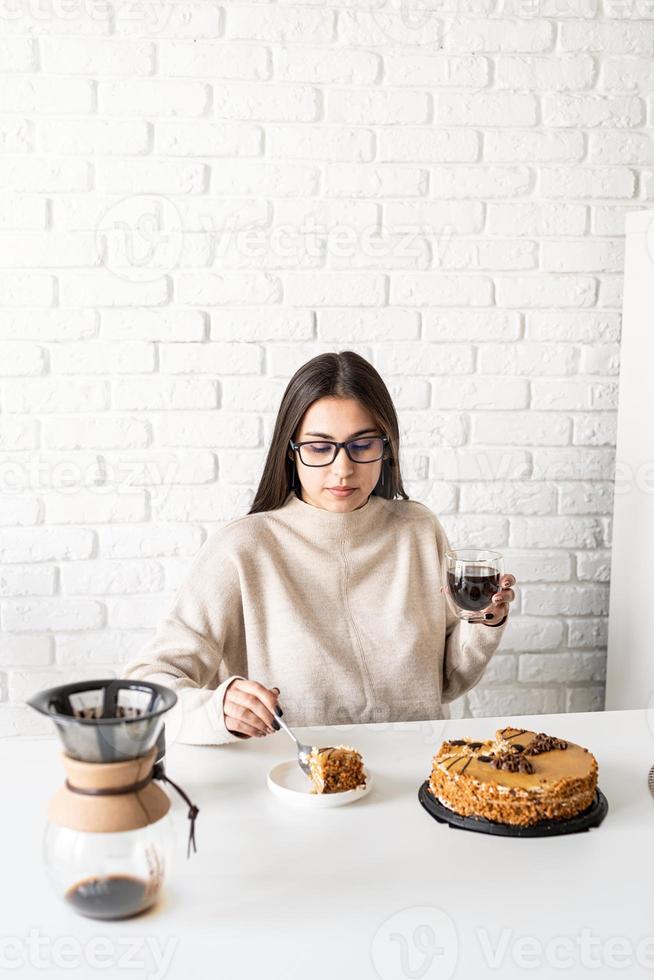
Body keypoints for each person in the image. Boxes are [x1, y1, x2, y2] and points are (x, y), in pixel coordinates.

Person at [121, 351, 516, 744]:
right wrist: (217, 709)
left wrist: (484, 621)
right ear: (290, 452)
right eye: (318, 447)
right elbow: (143, 688)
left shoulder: (418, 529)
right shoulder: (244, 548)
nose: (342, 469)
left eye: (362, 446)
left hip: (419, 773)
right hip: (294, 784)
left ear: (387, 446)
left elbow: (445, 682)